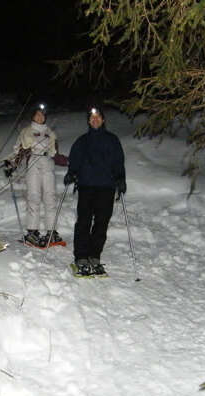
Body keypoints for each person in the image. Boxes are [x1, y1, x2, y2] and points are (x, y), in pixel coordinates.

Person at [64, 107, 126, 276]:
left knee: (101, 223)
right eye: (92, 117)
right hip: (86, 186)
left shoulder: (112, 140)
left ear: (103, 120)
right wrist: (71, 173)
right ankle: (81, 257)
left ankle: (94, 256)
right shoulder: (82, 141)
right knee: (84, 221)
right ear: (88, 121)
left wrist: (121, 179)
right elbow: (75, 161)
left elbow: (118, 162)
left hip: (107, 187)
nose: (95, 120)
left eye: (98, 117)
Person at [5, 104, 65, 247]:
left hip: (47, 163)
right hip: (33, 162)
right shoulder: (26, 131)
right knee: (34, 196)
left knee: (50, 197)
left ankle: (52, 232)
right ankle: (32, 232)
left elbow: (55, 153)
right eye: (37, 114)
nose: (40, 117)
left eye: (42, 114)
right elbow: (19, 150)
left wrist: (69, 162)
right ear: (33, 116)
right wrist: (11, 164)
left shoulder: (50, 133)